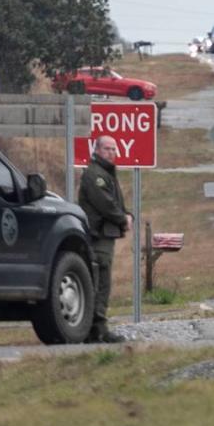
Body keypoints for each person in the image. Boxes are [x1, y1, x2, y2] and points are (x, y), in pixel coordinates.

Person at [78, 135, 133, 343]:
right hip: (97, 236)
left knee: (102, 281)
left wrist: (128, 214)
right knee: (99, 281)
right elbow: (105, 204)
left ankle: (96, 328)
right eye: (108, 149)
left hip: (106, 235)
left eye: (114, 149)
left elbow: (116, 201)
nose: (112, 153)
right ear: (98, 150)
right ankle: (96, 328)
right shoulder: (95, 175)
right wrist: (122, 218)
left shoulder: (107, 173)